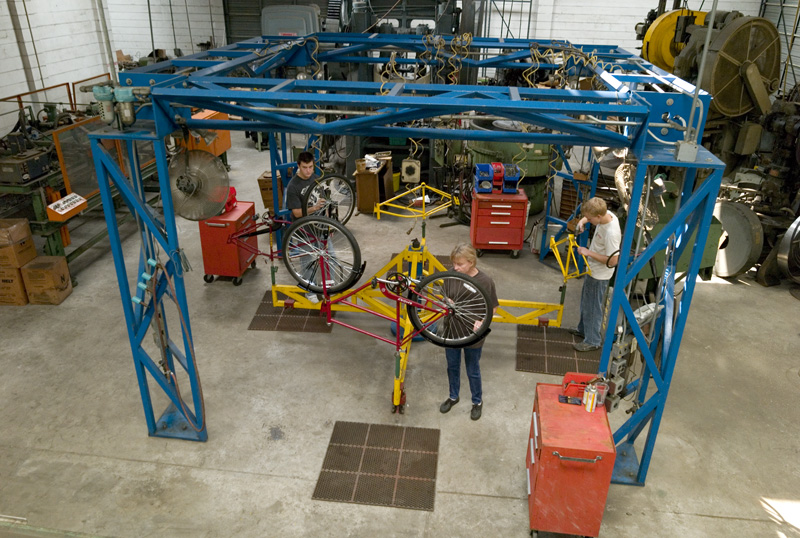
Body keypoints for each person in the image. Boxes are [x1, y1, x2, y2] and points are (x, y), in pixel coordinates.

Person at [439, 243, 499, 421]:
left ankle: (477, 402)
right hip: (451, 330)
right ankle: (453, 396)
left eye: (460, 264)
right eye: (454, 264)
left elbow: (494, 307)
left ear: (471, 262)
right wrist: (445, 300)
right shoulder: (451, 275)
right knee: (452, 366)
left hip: (473, 334)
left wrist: (482, 321)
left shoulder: (485, 281)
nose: (455, 268)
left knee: (472, 369)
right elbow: (444, 294)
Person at [571, 197, 622, 352]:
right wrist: (582, 222)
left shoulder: (611, 233)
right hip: (592, 269)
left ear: (599, 217)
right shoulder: (605, 215)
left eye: (591, 219)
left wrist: (588, 253)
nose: (589, 220)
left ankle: (593, 340)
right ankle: (584, 330)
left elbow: (613, 261)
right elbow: (590, 216)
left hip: (600, 275)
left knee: (593, 306)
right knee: (586, 302)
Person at [284, 151, 323, 220]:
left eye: (310, 167)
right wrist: (314, 208)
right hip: (304, 226)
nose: (308, 171)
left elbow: (323, 200)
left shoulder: (317, 178)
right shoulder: (293, 186)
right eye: (304, 167)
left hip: (320, 222)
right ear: (299, 166)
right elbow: (297, 213)